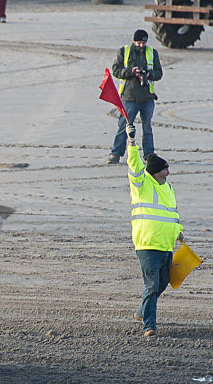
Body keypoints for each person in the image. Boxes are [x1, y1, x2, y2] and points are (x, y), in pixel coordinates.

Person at [125, 123, 183, 337]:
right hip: (147, 244)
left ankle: (142, 311)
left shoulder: (167, 187)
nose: (169, 171)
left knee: (162, 283)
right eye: (166, 168)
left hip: (166, 244)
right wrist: (131, 142)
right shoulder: (142, 185)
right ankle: (149, 326)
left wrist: (178, 230)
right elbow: (134, 165)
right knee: (151, 286)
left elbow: (171, 212)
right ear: (157, 171)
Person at [108, 29, 163, 165]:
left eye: (143, 42)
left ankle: (149, 154)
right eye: (139, 42)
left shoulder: (152, 52)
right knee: (123, 126)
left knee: (147, 128)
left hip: (147, 98)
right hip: (129, 97)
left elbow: (159, 73)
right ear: (134, 41)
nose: (141, 45)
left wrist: (148, 74)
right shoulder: (124, 51)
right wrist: (130, 72)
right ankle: (115, 153)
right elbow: (116, 70)